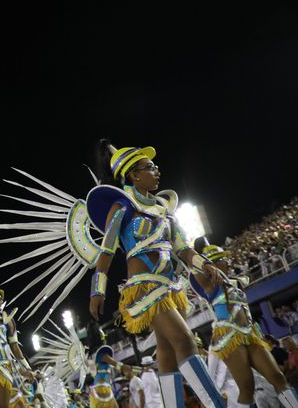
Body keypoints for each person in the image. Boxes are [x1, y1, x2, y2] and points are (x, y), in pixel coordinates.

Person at [86, 142, 229, 408]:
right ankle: (215, 404)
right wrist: (97, 289)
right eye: (150, 167)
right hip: (144, 288)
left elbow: (182, 248)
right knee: (185, 341)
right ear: (134, 175)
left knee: (167, 353)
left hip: (171, 287)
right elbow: (106, 251)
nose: (157, 170)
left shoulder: (165, 209)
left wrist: (205, 264)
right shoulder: (121, 206)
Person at [189, 243, 298, 408]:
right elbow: (192, 264)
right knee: (247, 386)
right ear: (213, 264)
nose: (228, 262)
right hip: (228, 336)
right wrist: (201, 261)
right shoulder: (210, 285)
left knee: (277, 377)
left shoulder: (236, 283)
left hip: (249, 334)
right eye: (222, 260)